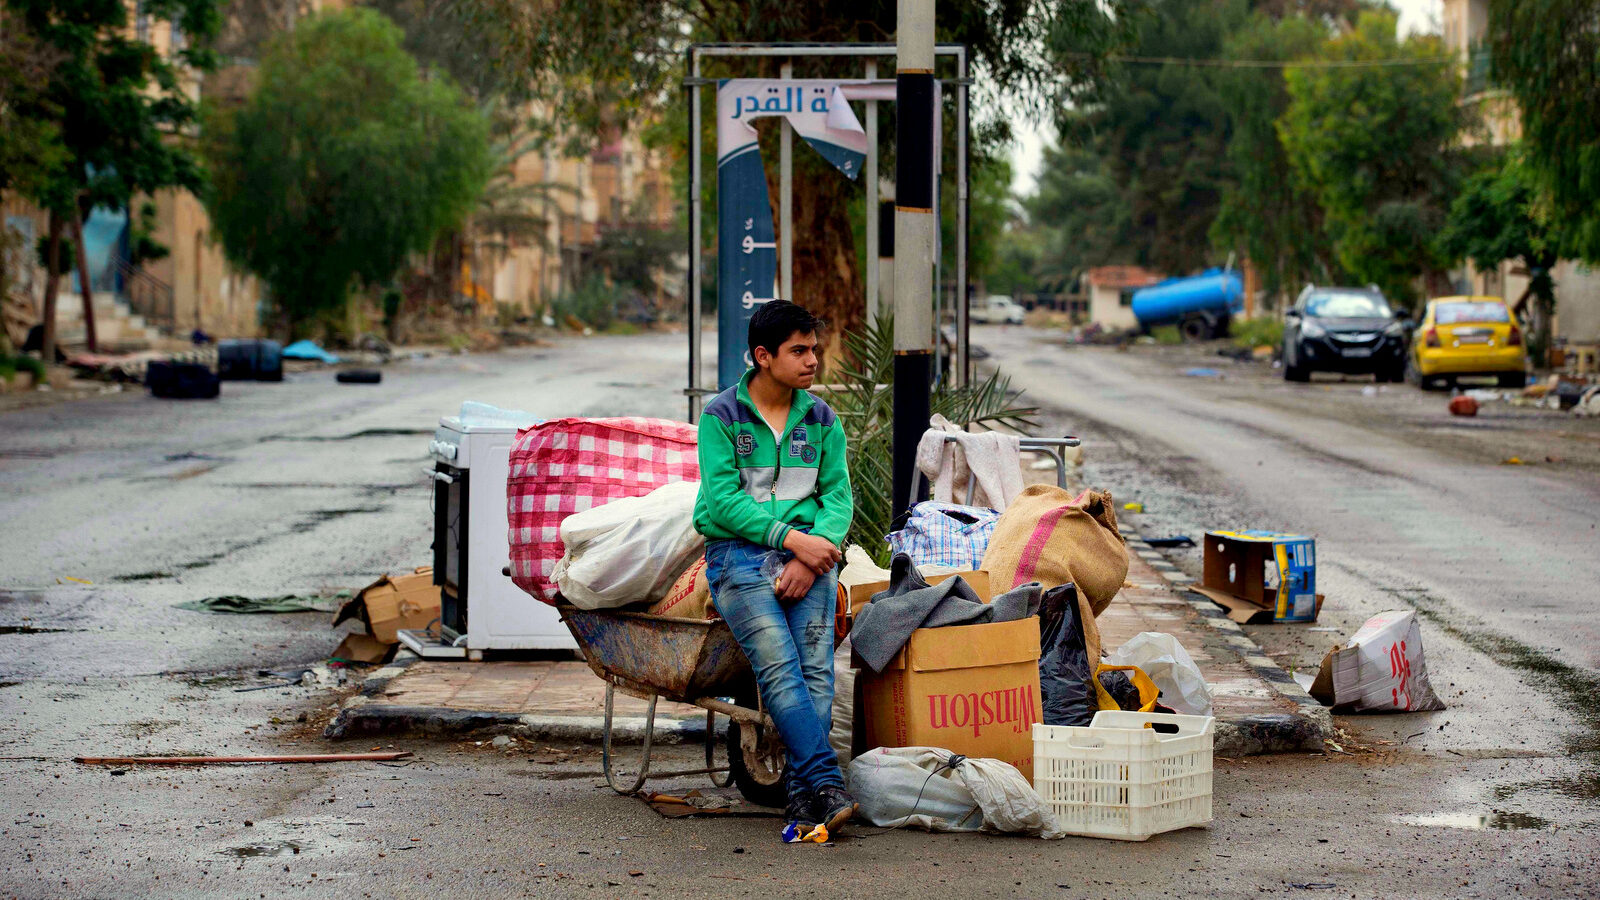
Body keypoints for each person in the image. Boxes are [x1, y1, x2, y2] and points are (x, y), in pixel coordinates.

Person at [694, 300, 857, 837]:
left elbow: (837, 496)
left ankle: (802, 799)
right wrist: (792, 540)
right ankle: (826, 782)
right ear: (763, 356)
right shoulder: (722, 417)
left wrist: (814, 553)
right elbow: (722, 503)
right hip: (736, 557)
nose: (812, 360)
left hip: (810, 557)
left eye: (814, 349)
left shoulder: (822, 419)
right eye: (799, 351)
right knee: (781, 671)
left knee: (815, 675)